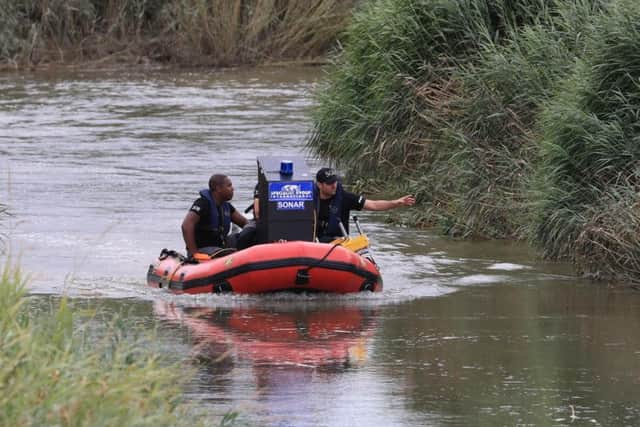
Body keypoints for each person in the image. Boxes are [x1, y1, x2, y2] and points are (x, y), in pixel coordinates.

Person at [314, 167, 415, 242]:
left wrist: (396, 202)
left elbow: (373, 205)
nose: (334, 186)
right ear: (319, 185)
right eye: (329, 183)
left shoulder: (345, 198)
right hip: (315, 244)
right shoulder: (309, 199)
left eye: (334, 182)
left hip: (338, 244)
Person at [182, 174, 248, 259]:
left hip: (220, 247)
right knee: (228, 254)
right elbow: (186, 226)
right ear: (218, 188)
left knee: (244, 236)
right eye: (229, 186)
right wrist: (194, 253)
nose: (232, 189)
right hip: (202, 249)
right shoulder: (203, 203)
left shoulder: (226, 206)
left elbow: (245, 223)